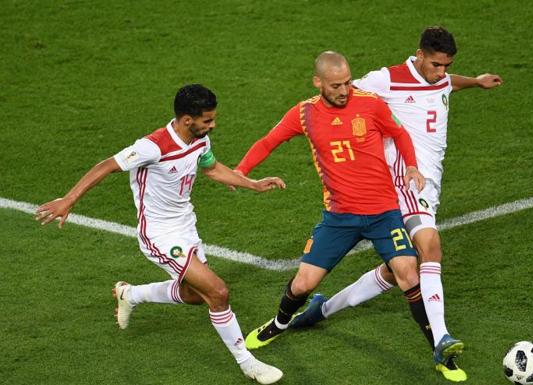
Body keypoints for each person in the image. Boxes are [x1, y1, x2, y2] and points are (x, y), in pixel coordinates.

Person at [289, 27, 503, 382]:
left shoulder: (441, 77)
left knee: (399, 270)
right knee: (430, 247)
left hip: (430, 183)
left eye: (447, 66)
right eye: (435, 65)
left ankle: (321, 309)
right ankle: (441, 337)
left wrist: (476, 82)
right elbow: (342, 93)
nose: (441, 72)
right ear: (418, 54)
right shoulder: (386, 80)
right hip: (404, 178)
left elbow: (447, 83)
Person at [35, 84, 285, 385]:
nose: (213, 125)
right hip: (159, 234)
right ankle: (248, 363)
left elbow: (212, 168)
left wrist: (253, 184)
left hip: (186, 226)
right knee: (218, 292)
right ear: (187, 119)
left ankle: (131, 294)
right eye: (207, 120)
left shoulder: (199, 139)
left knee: (196, 296)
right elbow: (105, 166)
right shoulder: (152, 146)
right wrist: (68, 199)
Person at [236, 51, 463, 373]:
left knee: (409, 274)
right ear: (318, 82)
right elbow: (269, 141)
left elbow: (399, 134)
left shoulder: (370, 104)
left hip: (384, 214)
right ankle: (279, 323)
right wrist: (242, 171)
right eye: (336, 86)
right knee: (302, 285)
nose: (344, 91)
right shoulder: (304, 114)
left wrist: (411, 166)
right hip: (339, 218)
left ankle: (441, 354)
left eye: (346, 83)